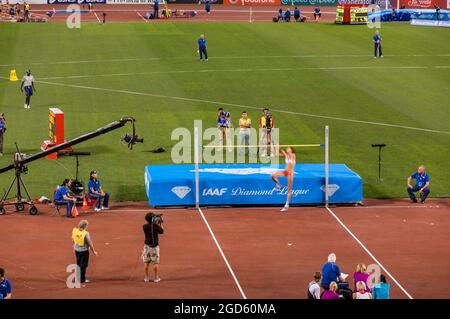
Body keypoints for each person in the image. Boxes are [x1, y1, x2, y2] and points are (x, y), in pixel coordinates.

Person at [72, 220, 98, 286]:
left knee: (78, 263)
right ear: (85, 226)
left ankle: (77, 277)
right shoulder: (85, 233)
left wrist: (74, 248)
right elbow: (90, 243)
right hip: (84, 251)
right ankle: (81, 279)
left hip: (77, 250)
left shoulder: (75, 231)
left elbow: (73, 240)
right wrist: (94, 251)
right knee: (83, 265)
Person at [271, 147, 296, 212]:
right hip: (285, 172)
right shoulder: (286, 155)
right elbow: (277, 155)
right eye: (287, 148)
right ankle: (279, 186)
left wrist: (284, 152)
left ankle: (287, 205)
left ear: (291, 150)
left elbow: (290, 158)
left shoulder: (293, 155)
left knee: (289, 189)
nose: (287, 149)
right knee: (273, 176)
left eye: (288, 149)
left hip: (290, 173)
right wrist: (276, 150)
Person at [142, 212, 164, 283]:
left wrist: (155, 223)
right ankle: (156, 277)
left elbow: (151, 227)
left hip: (146, 246)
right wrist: (160, 223)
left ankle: (146, 277)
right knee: (155, 262)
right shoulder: (155, 226)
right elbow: (161, 231)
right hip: (154, 247)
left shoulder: (144, 226)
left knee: (146, 261)